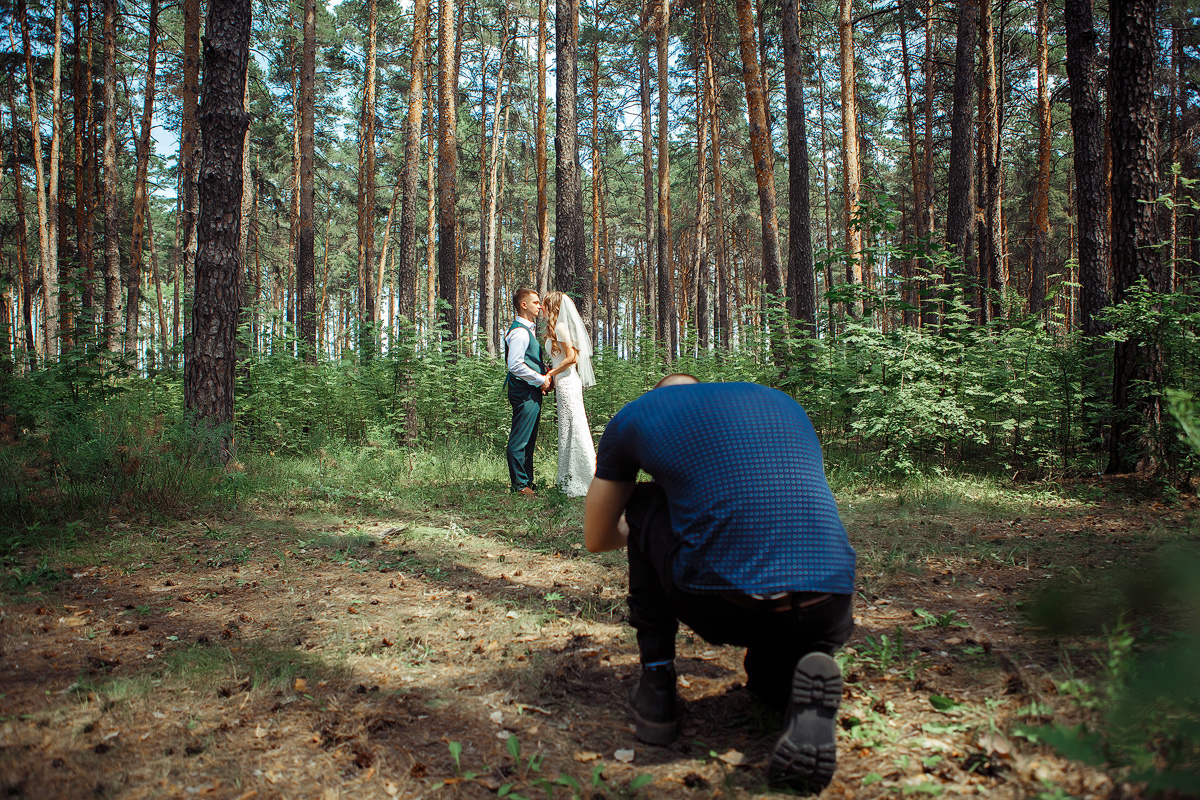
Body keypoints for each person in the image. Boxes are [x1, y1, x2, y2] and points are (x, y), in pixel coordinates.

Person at [583, 375, 856, 793]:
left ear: (657, 394)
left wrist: (657, 523)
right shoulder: (778, 401)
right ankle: (794, 686)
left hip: (720, 602)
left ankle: (656, 687)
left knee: (640, 502)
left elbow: (597, 537)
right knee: (766, 679)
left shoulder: (638, 414)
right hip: (828, 598)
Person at [541, 291, 597, 497]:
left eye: (545, 305)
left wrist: (551, 373)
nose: (542, 309)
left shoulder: (561, 328)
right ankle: (567, 476)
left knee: (575, 425)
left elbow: (572, 357)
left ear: (552, 306)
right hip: (562, 383)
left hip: (568, 382)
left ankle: (584, 477)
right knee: (567, 427)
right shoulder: (556, 328)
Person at [504, 288, 552, 496]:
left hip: (529, 391)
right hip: (523, 392)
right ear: (524, 305)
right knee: (520, 439)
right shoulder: (520, 332)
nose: (540, 306)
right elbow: (515, 365)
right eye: (536, 302)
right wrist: (541, 379)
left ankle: (527, 482)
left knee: (529, 438)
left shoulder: (528, 331)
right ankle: (519, 485)